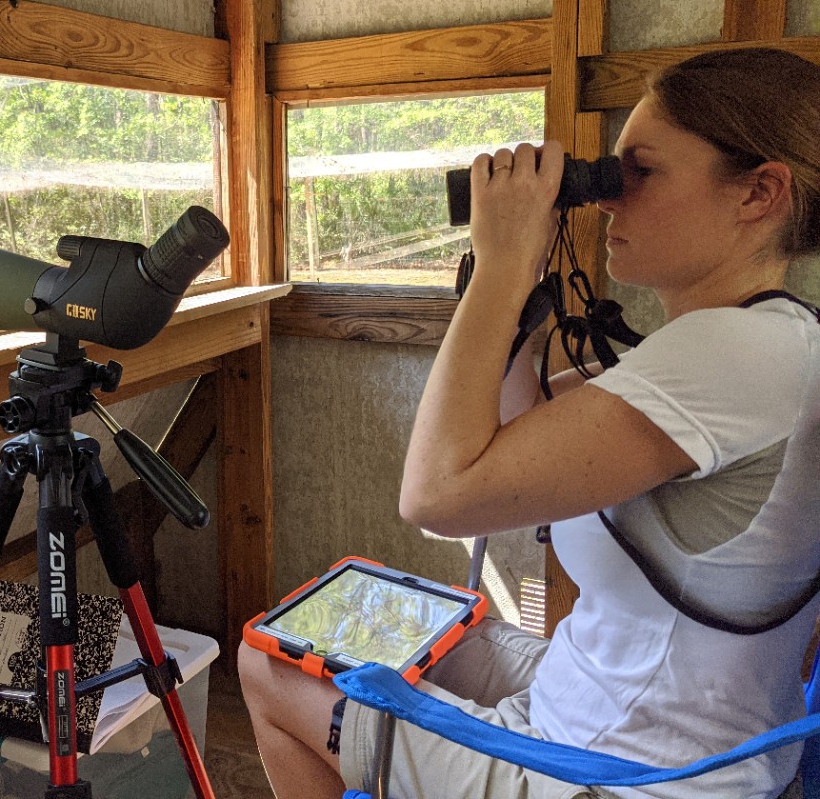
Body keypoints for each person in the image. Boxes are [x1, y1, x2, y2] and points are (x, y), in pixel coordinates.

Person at [239, 47, 820, 799]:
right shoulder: (772, 336)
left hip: (620, 777)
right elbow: (521, 433)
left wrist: (501, 268)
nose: (607, 199)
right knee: (382, 632)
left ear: (757, 194)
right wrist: (511, 307)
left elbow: (437, 499)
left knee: (270, 664)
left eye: (639, 173)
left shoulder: (733, 354)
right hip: (624, 718)